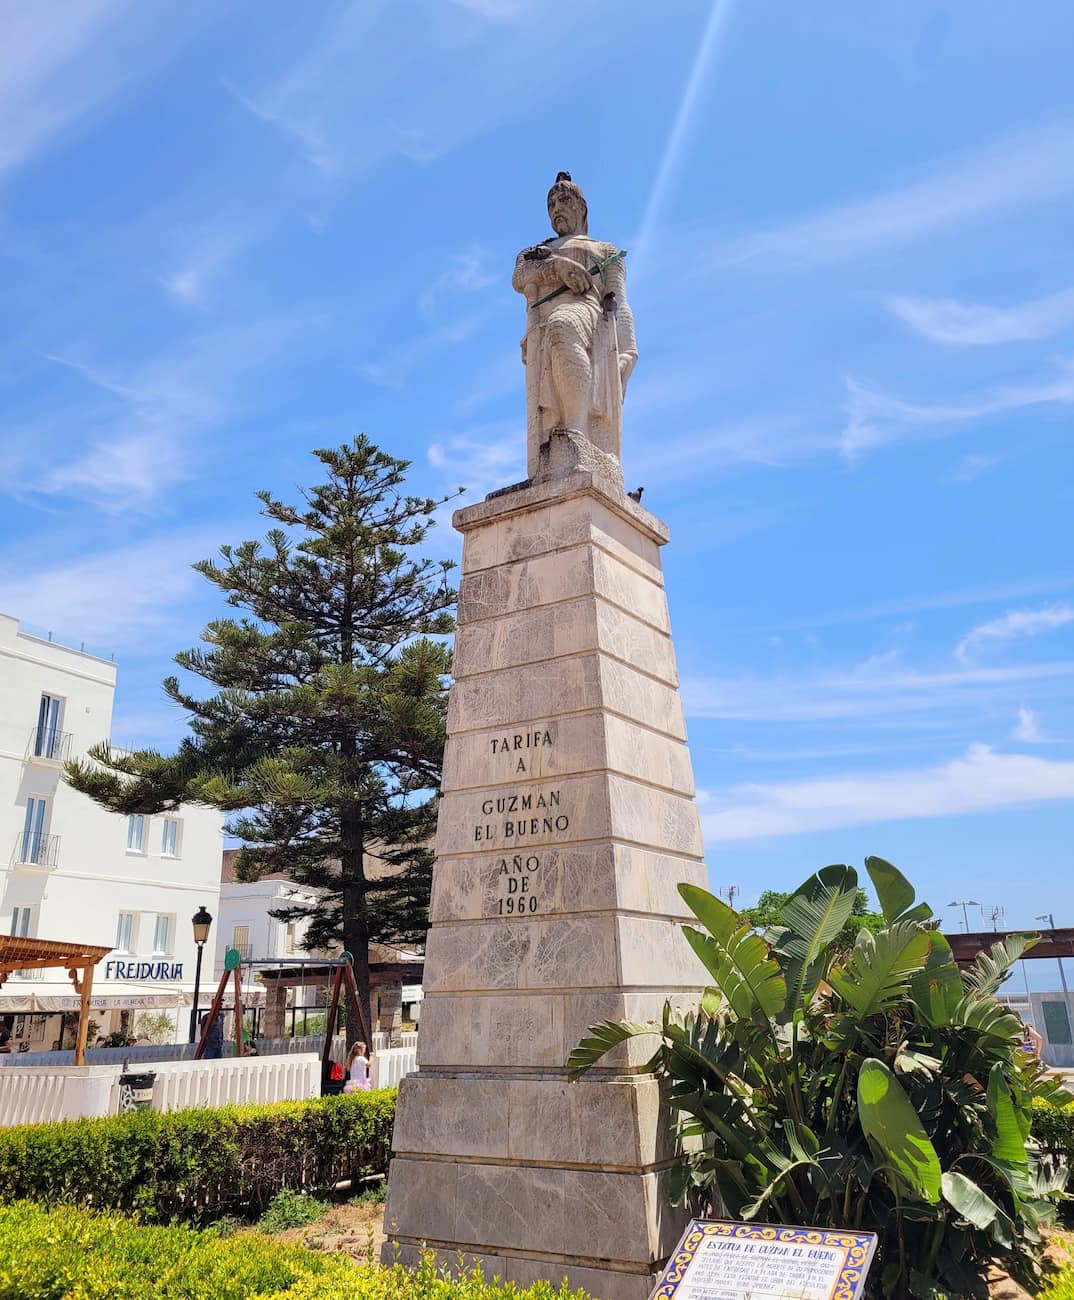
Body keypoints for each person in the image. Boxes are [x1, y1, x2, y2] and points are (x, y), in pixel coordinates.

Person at [512, 172, 637, 478]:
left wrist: (629, 350)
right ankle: (564, 440)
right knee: (555, 328)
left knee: (561, 327)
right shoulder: (538, 250)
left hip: (589, 312)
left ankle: (576, 434)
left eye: (564, 199)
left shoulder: (605, 250)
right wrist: (557, 267)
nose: (557, 207)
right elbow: (519, 276)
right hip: (541, 328)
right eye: (551, 203)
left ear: (582, 207)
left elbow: (619, 301)